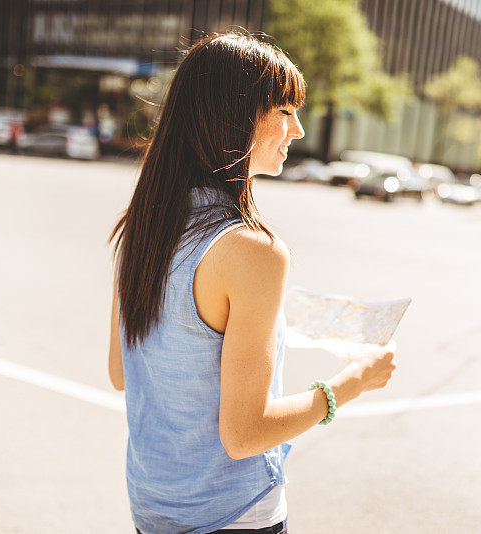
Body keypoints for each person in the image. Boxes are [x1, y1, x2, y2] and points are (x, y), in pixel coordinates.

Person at [107, 32, 397, 534]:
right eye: (285, 112)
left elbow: (122, 369)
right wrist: (354, 382)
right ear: (234, 115)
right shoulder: (253, 250)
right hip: (233, 516)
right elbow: (245, 435)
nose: (299, 129)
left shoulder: (144, 225)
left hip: (152, 505)